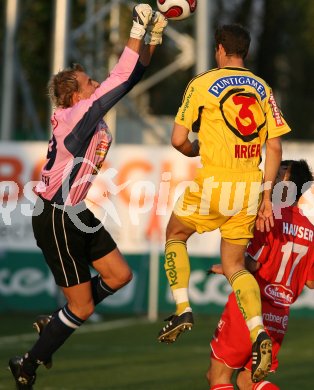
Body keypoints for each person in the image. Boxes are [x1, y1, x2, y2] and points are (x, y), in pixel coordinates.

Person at [8, 4, 168, 389]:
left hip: (75, 210)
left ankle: (58, 323)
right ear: (73, 96)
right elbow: (120, 75)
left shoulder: (85, 113)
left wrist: (155, 36)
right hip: (56, 215)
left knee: (120, 275)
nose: (96, 83)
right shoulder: (75, 118)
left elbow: (127, 77)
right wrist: (137, 27)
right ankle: (28, 362)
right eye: (89, 81)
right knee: (82, 307)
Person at [157, 24, 291, 382]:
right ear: (244, 52)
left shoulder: (202, 83)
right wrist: (266, 198)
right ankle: (257, 330)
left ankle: (183, 307)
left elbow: (178, 139)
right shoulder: (262, 88)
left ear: (219, 48)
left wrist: (194, 148)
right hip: (249, 188)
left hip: (216, 180)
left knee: (175, 232)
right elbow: (275, 147)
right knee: (234, 265)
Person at [206, 159, 314, 389]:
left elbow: (252, 265)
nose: (271, 177)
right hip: (279, 316)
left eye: (278, 173)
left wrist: (229, 265)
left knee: (218, 378)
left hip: (250, 308)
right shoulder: (310, 230)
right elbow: (311, 281)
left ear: (286, 182)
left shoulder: (269, 217)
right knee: (247, 381)